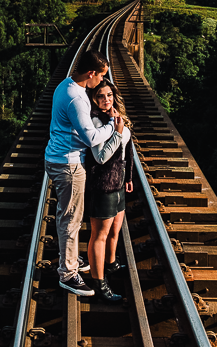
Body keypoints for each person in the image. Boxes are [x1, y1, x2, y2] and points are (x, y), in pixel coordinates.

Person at [45, 50, 124, 296]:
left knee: (68, 216)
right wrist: (113, 127)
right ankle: (68, 274)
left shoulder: (65, 86)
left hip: (60, 158)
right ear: (90, 73)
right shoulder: (77, 98)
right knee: (71, 219)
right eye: (100, 76)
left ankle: (69, 260)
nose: (101, 81)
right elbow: (91, 138)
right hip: (68, 165)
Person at [84, 78, 134, 303]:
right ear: (94, 99)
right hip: (103, 185)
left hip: (119, 183)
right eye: (101, 96)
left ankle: (111, 264)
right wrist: (116, 131)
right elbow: (101, 157)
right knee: (100, 236)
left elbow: (127, 149)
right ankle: (99, 283)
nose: (106, 100)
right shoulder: (95, 121)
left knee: (116, 229)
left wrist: (129, 177)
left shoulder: (116, 117)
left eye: (109, 95)